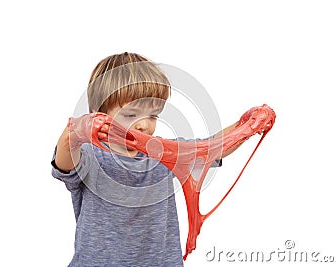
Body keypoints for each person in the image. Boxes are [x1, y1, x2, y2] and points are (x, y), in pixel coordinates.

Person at [51, 52, 239, 266]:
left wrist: (246, 125)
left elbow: (212, 147)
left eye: (153, 116)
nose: (144, 125)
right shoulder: (89, 154)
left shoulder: (164, 152)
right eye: (131, 115)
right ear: (98, 113)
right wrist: (76, 131)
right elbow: (64, 162)